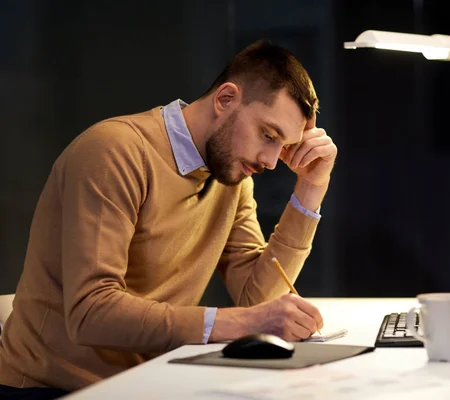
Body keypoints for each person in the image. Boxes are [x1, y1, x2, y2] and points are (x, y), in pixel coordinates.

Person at [0, 40, 337, 398]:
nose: (270, 161)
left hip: (149, 383)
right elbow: (91, 311)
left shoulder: (231, 179)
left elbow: (255, 298)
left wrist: (310, 189)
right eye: (268, 135)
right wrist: (242, 323)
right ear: (225, 99)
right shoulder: (114, 152)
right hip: (51, 388)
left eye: (282, 146)